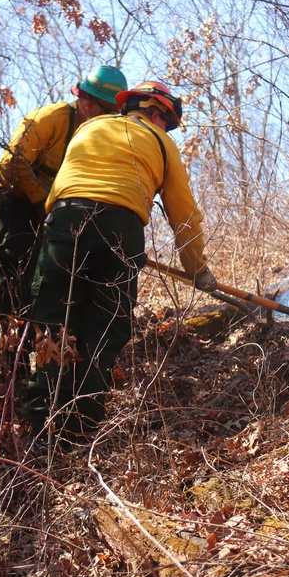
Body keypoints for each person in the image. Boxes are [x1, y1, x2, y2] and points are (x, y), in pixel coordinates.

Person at [24, 81, 217, 447]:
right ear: (157, 114)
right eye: (167, 122)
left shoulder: (88, 128)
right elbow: (185, 215)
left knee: (53, 329)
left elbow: (62, 187)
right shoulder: (160, 142)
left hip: (64, 223)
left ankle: (41, 440)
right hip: (121, 229)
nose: (166, 129)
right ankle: (78, 436)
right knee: (102, 332)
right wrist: (197, 269)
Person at [0, 65, 128, 317]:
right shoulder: (50, 118)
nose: (112, 120)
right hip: (9, 201)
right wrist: (44, 202)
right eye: (108, 112)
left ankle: (32, 347)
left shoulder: (100, 137)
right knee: (13, 274)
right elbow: (13, 163)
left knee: (43, 282)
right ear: (87, 103)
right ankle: (3, 352)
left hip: (48, 211)